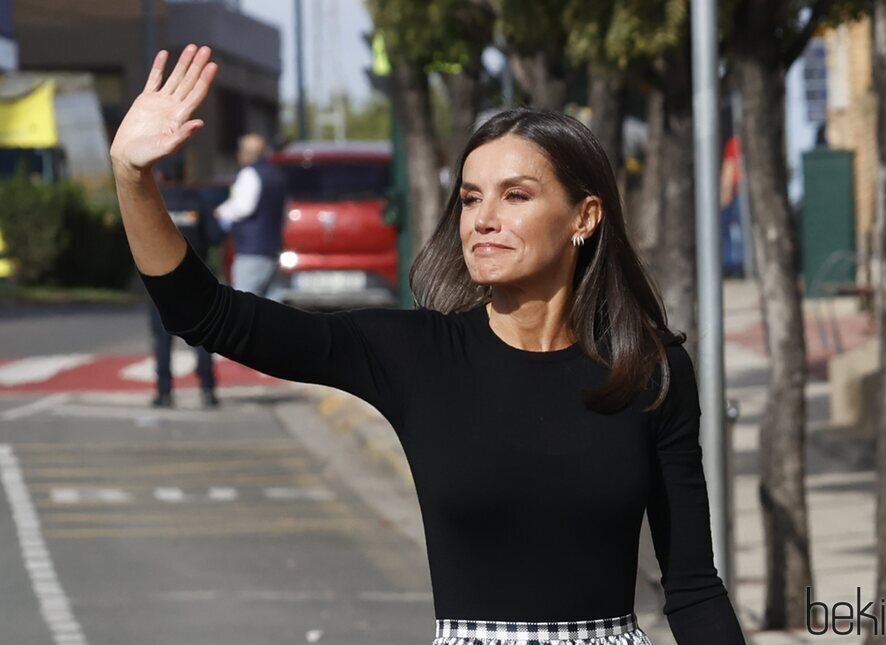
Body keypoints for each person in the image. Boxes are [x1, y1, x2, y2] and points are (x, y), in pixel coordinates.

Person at [110, 44, 747, 645]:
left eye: (515, 196)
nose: (483, 219)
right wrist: (133, 178)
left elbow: (691, 586)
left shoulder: (650, 370)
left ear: (585, 216)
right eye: (471, 199)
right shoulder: (415, 354)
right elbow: (205, 314)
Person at [147, 155, 221, 408]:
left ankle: (164, 392)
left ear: (162, 176)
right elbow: (214, 236)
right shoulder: (198, 201)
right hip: (195, 279)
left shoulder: (154, 204)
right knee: (202, 337)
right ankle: (208, 390)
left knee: (163, 339)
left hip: (160, 281)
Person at [215, 132, 287, 298]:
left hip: (251, 249)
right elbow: (284, 212)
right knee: (274, 304)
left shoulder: (249, 174)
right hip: (273, 248)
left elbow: (244, 208)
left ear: (246, 153)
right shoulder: (277, 174)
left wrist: (222, 212)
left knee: (245, 303)